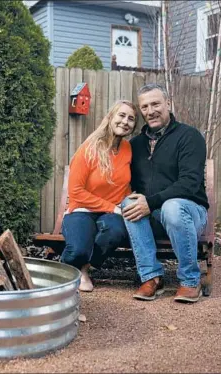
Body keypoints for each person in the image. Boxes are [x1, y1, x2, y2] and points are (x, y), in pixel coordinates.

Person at [121, 83, 209, 303]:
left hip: (189, 212)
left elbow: (189, 183)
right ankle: (152, 277)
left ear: (168, 103)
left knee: (172, 207)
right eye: (145, 107)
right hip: (152, 214)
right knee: (128, 202)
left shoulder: (189, 136)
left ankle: (190, 280)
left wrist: (150, 202)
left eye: (155, 104)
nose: (150, 111)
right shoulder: (136, 144)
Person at [61, 100, 137, 292]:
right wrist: (112, 207)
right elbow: (76, 191)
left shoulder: (128, 149)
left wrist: (128, 200)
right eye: (121, 115)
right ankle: (67, 267)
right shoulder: (89, 148)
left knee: (115, 232)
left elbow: (125, 183)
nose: (125, 121)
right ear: (110, 117)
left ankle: (84, 270)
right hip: (82, 209)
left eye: (131, 119)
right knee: (77, 250)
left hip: (111, 213)